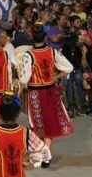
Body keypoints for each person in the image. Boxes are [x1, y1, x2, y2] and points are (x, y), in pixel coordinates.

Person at [19, 25, 74, 164]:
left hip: (35, 94)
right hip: (50, 92)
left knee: (36, 124)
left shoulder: (29, 55)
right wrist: (57, 76)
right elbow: (69, 67)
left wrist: (19, 91)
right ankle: (46, 157)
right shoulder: (52, 51)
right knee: (49, 123)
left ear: (32, 37)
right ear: (45, 37)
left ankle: (38, 154)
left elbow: (24, 79)